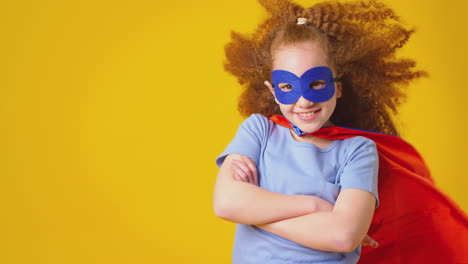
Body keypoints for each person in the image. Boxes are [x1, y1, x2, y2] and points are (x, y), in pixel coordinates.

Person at [213, 0, 468, 263]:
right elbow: (225, 203)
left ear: (338, 87)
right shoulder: (259, 131)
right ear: (272, 91)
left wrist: (255, 216)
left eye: (317, 83)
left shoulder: (357, 150)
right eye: (288, 87)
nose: (304, 101)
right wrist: (315, 206)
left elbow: (343, 236)